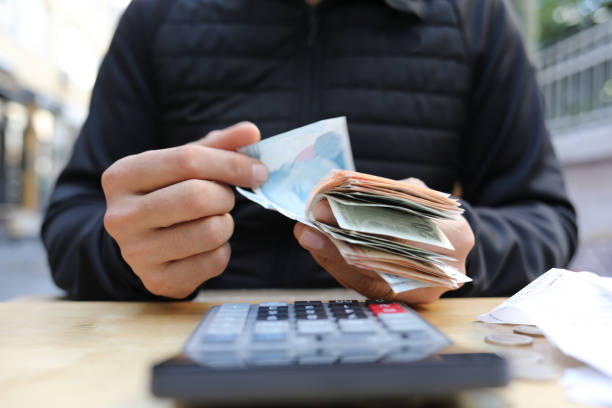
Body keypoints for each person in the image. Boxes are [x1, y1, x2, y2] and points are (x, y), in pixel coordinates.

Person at [42, 0, 578, 302]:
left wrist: (454, 254)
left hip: (410, 351)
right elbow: (71, 221)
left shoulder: (475, 18)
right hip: (176, 344)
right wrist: (128, 251)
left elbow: (545, 220)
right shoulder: (155, 18)